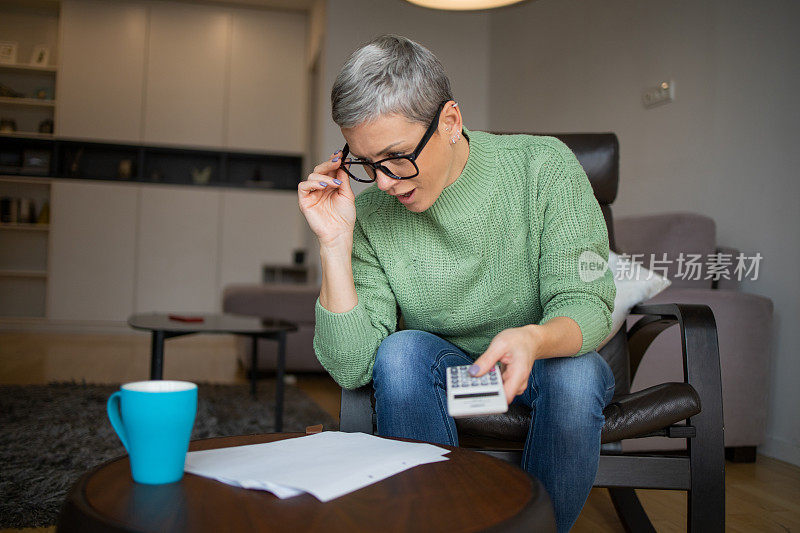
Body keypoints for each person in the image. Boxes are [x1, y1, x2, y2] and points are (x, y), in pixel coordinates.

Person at [298, 34, 616, 533]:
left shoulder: (541, 167)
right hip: (456, 381)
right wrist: (334, 244)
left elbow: (588, 304)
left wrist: (532, 338)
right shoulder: (376, 211)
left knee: (577, 377)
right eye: (365, 164)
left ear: (450, 122)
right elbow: (351, 367)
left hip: (540, 368)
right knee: (399, 354)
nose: (383, 182)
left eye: (396, 157)